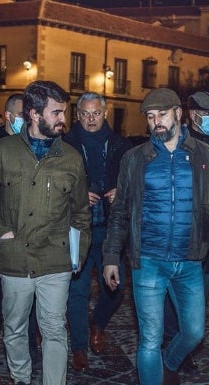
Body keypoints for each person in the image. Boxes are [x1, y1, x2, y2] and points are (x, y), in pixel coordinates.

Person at [0, 80, 91, 385]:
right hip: (14, 257)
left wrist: (78, 252)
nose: (63, 119)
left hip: (55, 259)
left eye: (64, 112)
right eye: (56, 112)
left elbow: (81, 213)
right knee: (15, 327)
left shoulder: (71, 157)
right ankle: (20, 378)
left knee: (55, 329)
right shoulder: (1, 152)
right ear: (33, 114)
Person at [103, 88, 208, 385]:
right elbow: (120, 211)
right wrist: (111, 257)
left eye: (161, 114)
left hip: (189, 261)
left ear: (178, 113)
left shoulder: (203, 155)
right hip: (147, 260)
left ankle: (169, 363)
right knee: (149, 338)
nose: (156, 122)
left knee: (194, 332)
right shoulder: (135, 158)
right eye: (150, 117)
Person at [63, 92, 132, 372]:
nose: (91, 119)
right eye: (85, 114)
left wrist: (122, 191)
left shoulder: (122, 146)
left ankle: (98, 323)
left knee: (116, 289)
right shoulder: (64, 145)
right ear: (77, 115)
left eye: (96, 113)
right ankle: (80, 346)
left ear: (104, 113)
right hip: (78, 229)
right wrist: (78, 195)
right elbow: (53, 189)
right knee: (76, 291)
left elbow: (135, 185)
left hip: (110, 230)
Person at [0, 94, 40, 363]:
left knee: (29, 288)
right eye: (21, 116)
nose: (25, 121)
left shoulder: (33, 143)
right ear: (8, 117)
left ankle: (30, 341)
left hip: (24, 227)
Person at [162, 90, 209, 375]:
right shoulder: (180, 143)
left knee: (200, 297)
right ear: (191, 115)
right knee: (179, 296)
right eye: (205, 116)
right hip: (185, 235)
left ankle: (186, 345)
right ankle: (175, 352)